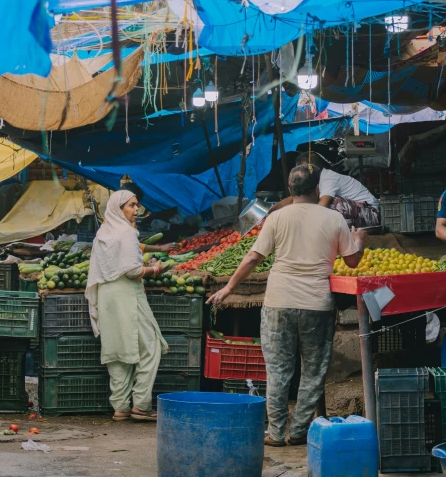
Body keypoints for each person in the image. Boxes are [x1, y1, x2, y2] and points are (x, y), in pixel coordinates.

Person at [207, 165, 367, 447]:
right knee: (313, 371)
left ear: (290, 190)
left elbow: (253, 258)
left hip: (278, 302)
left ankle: (276, 433)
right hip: (316, 304)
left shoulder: (277, 217)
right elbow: (352, 261)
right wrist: (359, 240)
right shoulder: (334, 218)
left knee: (278, 371)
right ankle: (298, 432)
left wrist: (229, 287)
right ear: (317, 189)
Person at [85, 190, 172, 422]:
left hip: (107, 297)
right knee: (151, 346)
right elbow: (133, 271)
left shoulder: (105, 232)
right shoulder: (126, 233)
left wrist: (156, 250)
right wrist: (156, 269)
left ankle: (121, 406)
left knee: (117, 350)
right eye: (132, 206)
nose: (136, 210)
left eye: (137, 206)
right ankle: (141, 405)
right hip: (126, 295)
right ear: (119, 208)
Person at [269, 152, 380, 228]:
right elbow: (297, 197)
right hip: (360, 213)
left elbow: (323, 205)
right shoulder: (315, 180)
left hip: (372, 214)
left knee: (334, 203)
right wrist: (271, 211)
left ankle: (343, 235)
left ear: (310, 168)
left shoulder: (328, 178)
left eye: (301, 169)